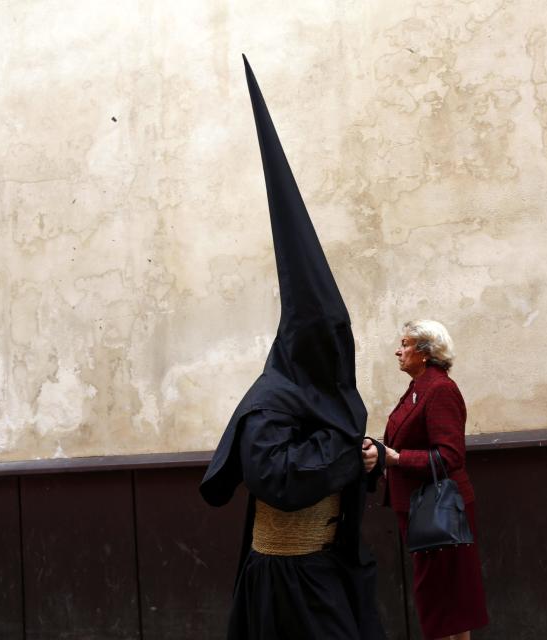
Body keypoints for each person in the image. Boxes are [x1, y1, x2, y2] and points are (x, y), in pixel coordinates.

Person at [200, 56, 386, 640]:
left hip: (328, 566)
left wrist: (371, 453)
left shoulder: (326, 391)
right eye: (324, 340)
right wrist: (350, 454)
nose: (335, 351)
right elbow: (276, 474)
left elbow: (345, 442)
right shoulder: (269, 401)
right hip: (286, 579)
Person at [363, 319, 489, 640]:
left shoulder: (440, 390)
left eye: (405, 344)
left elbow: (450, 456)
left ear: (424, 352)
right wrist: (380, 453)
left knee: (446, 601)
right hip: (421, 509)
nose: (398, 350)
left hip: (439, 511)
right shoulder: (420, 388)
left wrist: (395, 458)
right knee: (443, 599)